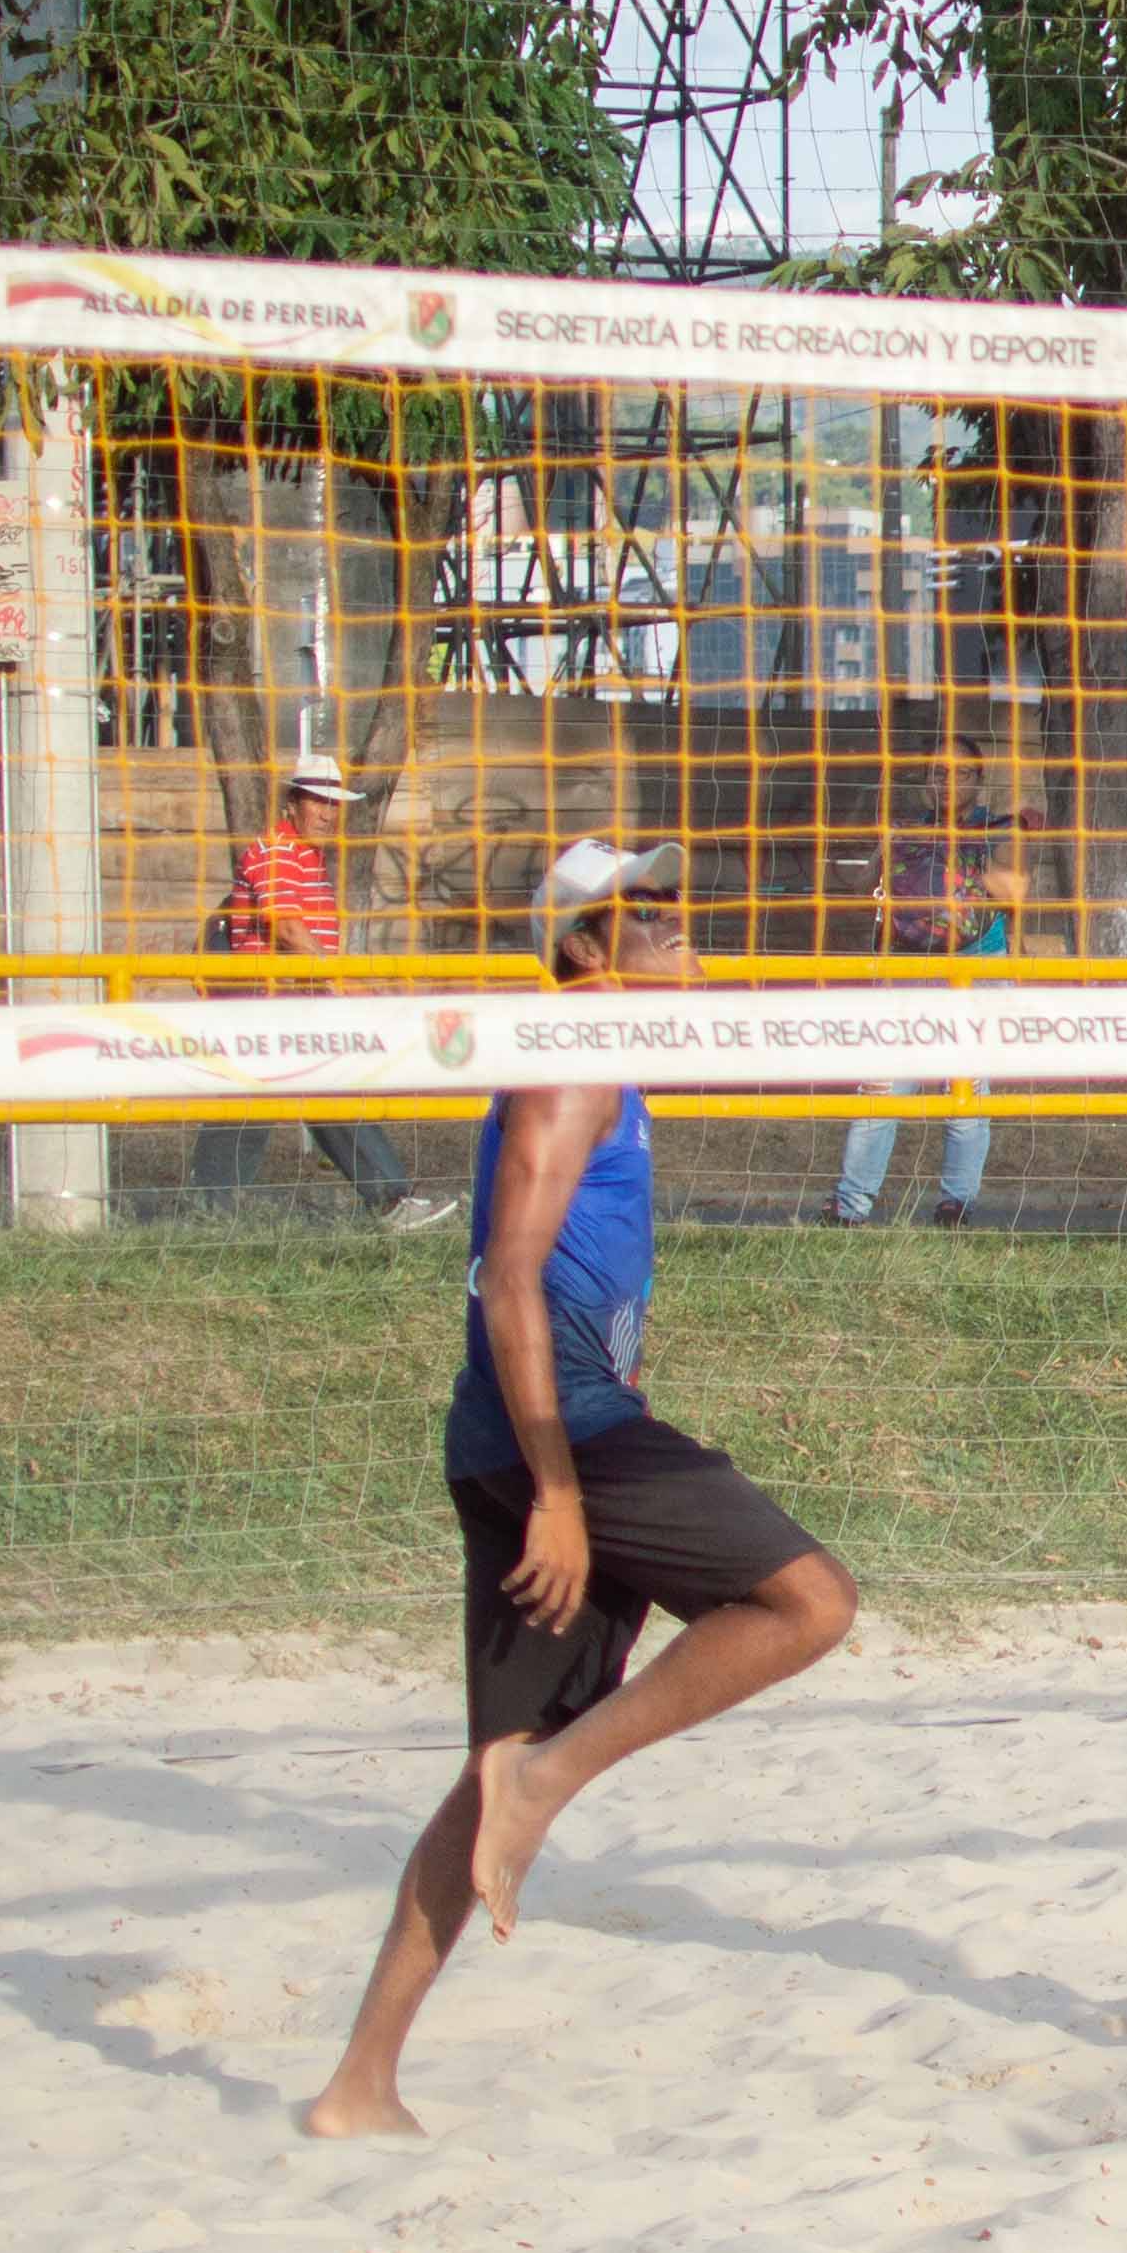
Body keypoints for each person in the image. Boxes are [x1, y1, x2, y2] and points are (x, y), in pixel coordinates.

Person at [300, 843, 859, 2139]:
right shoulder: (570, 1058)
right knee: (810, 1604)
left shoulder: (604, 1060)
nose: (694, 947)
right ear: (592, 951)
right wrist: (560, 1488)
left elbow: (565, 1273)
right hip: (560, 1446)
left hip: (546, 1431)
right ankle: (556, 1782)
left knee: (487, 1775)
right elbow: (505, 1278)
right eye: (662, 929)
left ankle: (359, 2082)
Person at [191, 758, 452, 1227]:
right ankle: (389, 1201)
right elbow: (289, 931)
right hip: (267, 1007)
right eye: (318, 802)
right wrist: (342, 984)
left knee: (287, 1103)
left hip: (290, 1008)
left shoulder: (307, 858)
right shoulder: (276, 851)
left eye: (335, 804)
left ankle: (208, 1215)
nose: (328, 814)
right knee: (282, 1104)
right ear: (293, 803)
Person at [833, 830, 1024, 1228]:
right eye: (936, 772)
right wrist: (887, 856)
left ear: (979, 778)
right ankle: (850, 1207)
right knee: (883, 1086)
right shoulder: (904, 832)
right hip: (908, 968)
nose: (947, 782)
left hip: (975, 967)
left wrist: (971, 863)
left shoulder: (993, 830)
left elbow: (1017, 891)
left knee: (964, 1089)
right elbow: (860, 890)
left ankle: (955, 1206)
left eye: (962, 774)